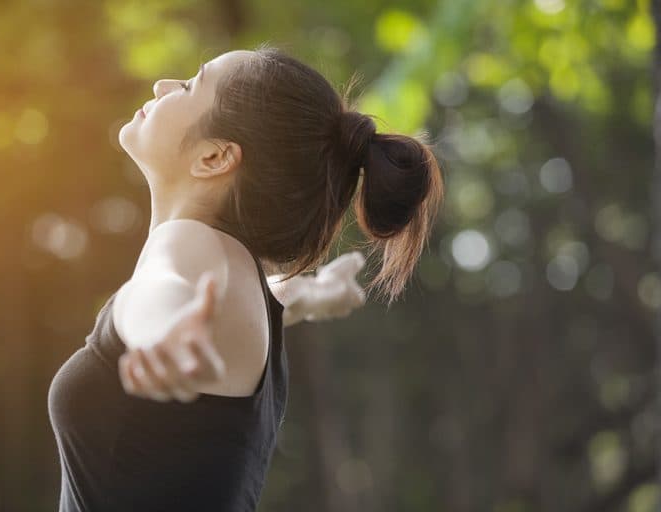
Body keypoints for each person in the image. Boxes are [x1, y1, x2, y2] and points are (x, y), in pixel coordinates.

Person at [48, 44, 444, 511]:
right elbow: (228, 298)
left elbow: (165, 287)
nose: (162, 85)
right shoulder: (240, 275)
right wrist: (310, 295)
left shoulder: (185, 245)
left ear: (215, 157)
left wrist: (163, 330)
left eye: (192, 84)